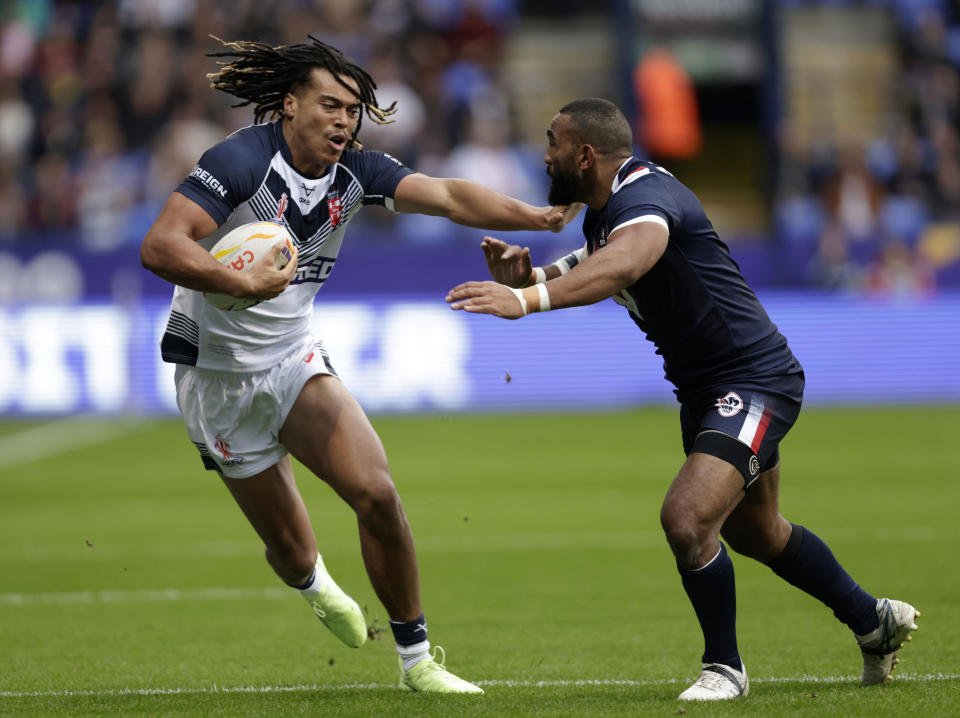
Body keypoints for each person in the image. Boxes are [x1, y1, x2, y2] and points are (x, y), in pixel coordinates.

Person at [140, 36, 575, 695]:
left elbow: (452, 196)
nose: (344, 120)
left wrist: (538, 218)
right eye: (330, 105)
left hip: (293, 359)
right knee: (291, 553)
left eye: (353, 110)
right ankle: (316, 587)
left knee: (376, 491)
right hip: (217, 378)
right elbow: (161, 244)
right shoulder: (240, 162)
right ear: (290, 105)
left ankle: (418, 660)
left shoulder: (360, 173)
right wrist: (237, 282)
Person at [446, 98, 920, 701]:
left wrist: (525, 302)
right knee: (758, 533)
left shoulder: (645, 198)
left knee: (687, 518)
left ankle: (724, 669)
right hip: (705, 391)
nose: (545, 154)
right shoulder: (607, 210)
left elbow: (626, 262)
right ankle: (873, 621)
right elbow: (596, 257)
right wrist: (531, 278)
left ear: (584, 154)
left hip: (753, 382)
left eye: (552, 142)